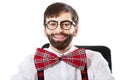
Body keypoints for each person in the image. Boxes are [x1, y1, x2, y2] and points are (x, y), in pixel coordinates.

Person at [11, 2, 114, 80]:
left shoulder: (95, 60)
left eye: (66, 24)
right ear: (45, 30)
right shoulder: (30, 63)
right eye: (52, 24)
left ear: (76, 30)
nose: (59, 30)